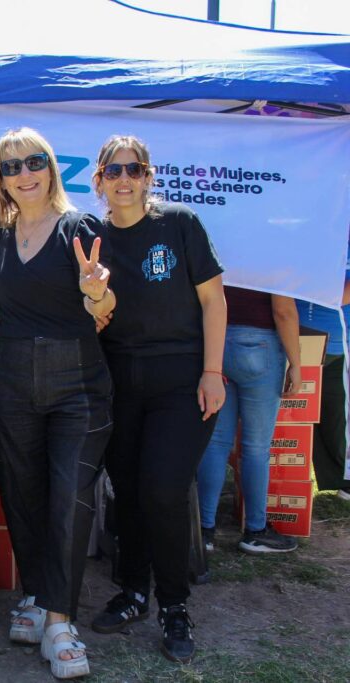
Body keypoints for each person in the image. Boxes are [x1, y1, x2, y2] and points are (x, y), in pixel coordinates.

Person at [0, 128, 114, 679]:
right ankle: (36, 595)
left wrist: (95, 290)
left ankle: (60, 621)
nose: (23, 173)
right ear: (0, 179)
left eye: (33, 161)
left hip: (78, 381)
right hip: (10, 376)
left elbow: (106, 307)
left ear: (51, 166)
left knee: (69, 499)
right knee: (22, 494)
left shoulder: (79, 227)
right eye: (11, 167)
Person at [89, 135, 226, 664]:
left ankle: (174, 605)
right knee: (127, 490)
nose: (124, 179)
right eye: (114, 171)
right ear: (99, 180)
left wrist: (213, 372)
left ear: (148, 177)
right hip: (119, 381)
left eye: (135, 170)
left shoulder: (180, 224)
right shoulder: (92, 236)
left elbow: (214, 302)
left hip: (182, 380)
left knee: (163, 489)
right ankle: (134, 592)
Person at [197, 287, 302, 554]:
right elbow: (283, 311)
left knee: (216, 443)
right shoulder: (273, 249)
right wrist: (297, 364)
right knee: (256, 448)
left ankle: (202, 530)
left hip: (217, 342)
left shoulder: (218, 244)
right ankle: (256, 530)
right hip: (260, 345)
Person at [297, 254, 350, 500]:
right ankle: (288, 477)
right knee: (295, 414)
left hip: (339, 346)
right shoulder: (311, 236)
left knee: (336, 415)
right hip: (299, 339)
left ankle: (340, 480)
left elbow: (341, 295)